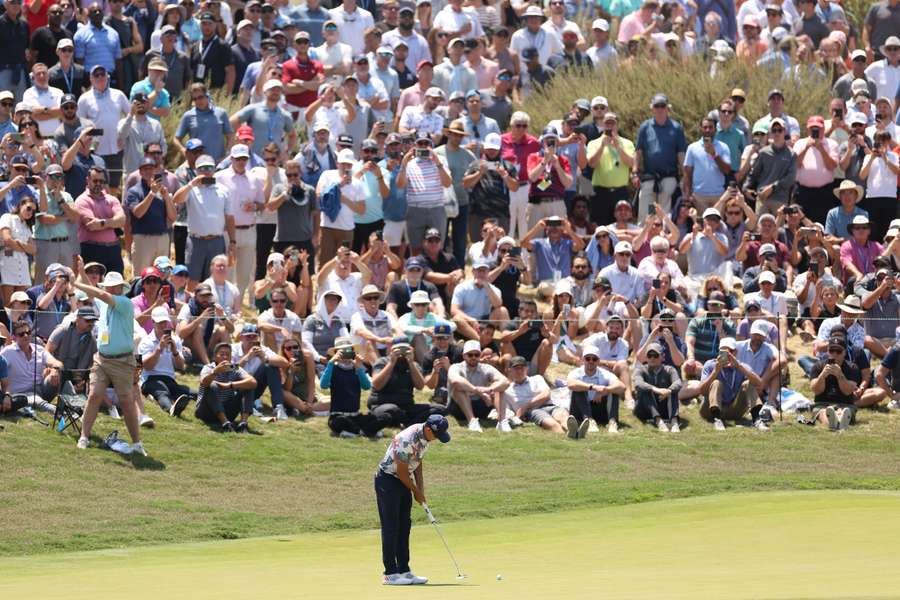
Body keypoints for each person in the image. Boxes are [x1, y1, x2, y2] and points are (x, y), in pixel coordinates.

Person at [72, 263, 145, 455]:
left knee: (126, 401)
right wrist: (81, 272)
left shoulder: (124, 302)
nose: (111, 289)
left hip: (123, 361)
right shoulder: (105, 302)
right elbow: (98, 293)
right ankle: (84, 437)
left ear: (120, 288)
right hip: (102, 359)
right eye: (110, 286)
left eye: (115, 286)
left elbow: (100, 294)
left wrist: (78, 284)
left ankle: (137, 444)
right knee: (94, 395)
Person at [374, 413, 449, 586]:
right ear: (429, 429)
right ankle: (390, 574)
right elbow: (400, 471)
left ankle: (404, 570)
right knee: (391, 526)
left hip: (402, 480)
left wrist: (421, 489)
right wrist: (415, 491)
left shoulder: (426, 438)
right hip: (388, 479)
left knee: (404, 525)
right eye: (437, 435)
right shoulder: (407, 439)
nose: (437, 439)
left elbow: (417, 463)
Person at [172, 154, 236, 289]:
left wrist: (232, 241)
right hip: (196, 241)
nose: (206, 171)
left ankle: (212, 308)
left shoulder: (223, 190)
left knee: (215, 280)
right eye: (202, 168)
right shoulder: (191, 190)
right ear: (196, 171)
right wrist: (191, 184)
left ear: (214, 170)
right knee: (192, 280)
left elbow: (229, 217)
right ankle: (191, 308)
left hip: (216, 241)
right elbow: (176, 199)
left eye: (209, 168)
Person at [634, 93, 687, 220]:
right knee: (648, 212)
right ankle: (646, 237)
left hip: (668, 177)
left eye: (662, 106)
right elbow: (638, 151)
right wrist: (635, 172)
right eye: (656, 106)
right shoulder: (645, 127)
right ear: (652, 108)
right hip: (649, 177)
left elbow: (681, 154)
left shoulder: (676, 128)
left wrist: (686, 177)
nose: (659, 109)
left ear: (668, 108)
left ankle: (663, 237)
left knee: (664, 213)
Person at [696, 336, 765, 431]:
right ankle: (717, 419)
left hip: (734, 409)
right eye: (723, 352)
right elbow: (701, 390)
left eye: (730, 352)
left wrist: (739, 367)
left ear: (735, 353)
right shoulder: (710, 365)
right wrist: (715, 372)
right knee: (716, 382)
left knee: (748, 383)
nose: (727, 356)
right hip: (709, 409)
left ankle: (756, 419)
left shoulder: (741, 366)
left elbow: (759, 384)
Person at [138, 306, 192, 417]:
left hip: (169, 379)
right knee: (162, 391)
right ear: (153, 322)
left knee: (191, 392)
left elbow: (181, 366)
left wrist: (174, 351)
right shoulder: (146, 342)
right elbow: (146, 367)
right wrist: (159, 348)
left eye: (165, 322)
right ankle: (171, 408)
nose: (163, 326)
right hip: (150, 378)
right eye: (160, 322)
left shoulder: (175, 340)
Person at [446, 339, 509, 432]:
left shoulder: (486, 368)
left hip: (481, 406)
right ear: (464, 356)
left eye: (476, 355)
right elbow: (456, 381)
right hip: (458, 408)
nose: (473, 357)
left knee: (499, 388)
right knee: (458, 389)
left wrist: (489, 389)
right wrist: (478, 391)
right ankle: (472, 421)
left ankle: (502, 421)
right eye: (470, 355)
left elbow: (505, 382)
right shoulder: (455, 367)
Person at [565, 344, 625, 438]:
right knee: (579, 388)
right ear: (583, 360)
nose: (591, 361)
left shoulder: (604, 374)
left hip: (599, 408)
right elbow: (570, 384)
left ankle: (612, 423)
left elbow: (622, 387)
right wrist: (592, 387)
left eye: (594, 359)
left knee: (614, 391)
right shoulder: (575, 373)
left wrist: (606, 390)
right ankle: (589, 421)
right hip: (579, 410)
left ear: (598, 361)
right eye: (588, 358)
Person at [195, 342, 257, 433]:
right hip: (206, 411)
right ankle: (225, 424)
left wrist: (230, 385)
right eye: (222, 354)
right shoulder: (208, 367)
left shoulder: (233, 368)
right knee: (211, 385)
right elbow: (204, 382)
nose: (225, 357)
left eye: (227, 355)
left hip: (227, 409)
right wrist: (215, 372)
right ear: (215, 356)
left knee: (248, 387)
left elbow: (253, 382)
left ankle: (243, 424)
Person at [74, 166, 126, 274]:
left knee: (116, 286)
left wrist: (102, 223)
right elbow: (92, 226)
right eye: (95, 180)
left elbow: (122, 220)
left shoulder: (112, 199)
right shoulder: (81, 201)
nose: (98, 184)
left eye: (102, 181)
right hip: (92, 249)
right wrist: (113, 222)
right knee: (93, 287)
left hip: (113, 249)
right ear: (87, 180)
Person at [809, 336, 861, 430]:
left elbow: (847, 391)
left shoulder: (852, 368)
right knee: (822, 412)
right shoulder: (818, 366)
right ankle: (835, 423)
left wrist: (840, 375)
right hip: (822, 403)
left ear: (844, 352)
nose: (834, 354)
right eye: (832, 351)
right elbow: (816, 390)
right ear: (827, 351)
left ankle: (838, 421)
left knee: (844, 411)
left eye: (838, 351)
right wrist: (822, 376)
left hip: (845, 404)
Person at [175, 283, 233, 366]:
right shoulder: (188, 308)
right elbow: (181, 334)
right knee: (198, 328)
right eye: (202, 296)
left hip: (206, 344)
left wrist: (223, 317)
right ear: (195, 296)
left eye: (208, 296)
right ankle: (208, 365)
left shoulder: (214, 308)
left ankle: (227, 364)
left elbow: (231, 330)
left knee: (223, 330)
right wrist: (200, 318)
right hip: (187, 347)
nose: (205, 299)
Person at [633, 342, 682, 432]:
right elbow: (638, 383)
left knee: (672, 391)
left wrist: (669, 391)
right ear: (646, 357)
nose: (652, 358)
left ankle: (674, 422)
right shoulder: (640, 369)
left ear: (662, 357)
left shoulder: (669, 370)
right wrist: (656, 390)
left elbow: (678, 382)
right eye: (649, 355)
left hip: (663, 406)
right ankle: (659, 421)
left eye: (655, 355)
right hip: (644, 409)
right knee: (645, 390)